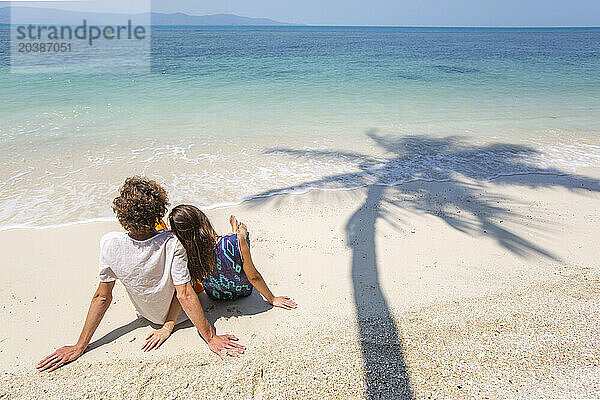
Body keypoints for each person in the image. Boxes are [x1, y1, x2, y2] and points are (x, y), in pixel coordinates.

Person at [36, 177, 245, 372]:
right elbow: (185, 294)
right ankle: (235, 236)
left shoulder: (110, 243)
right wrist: (210, 337)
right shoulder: (173, 242)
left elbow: (102, 297)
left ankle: (232, 235)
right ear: (159, 210)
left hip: (148, 315)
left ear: (121, 214)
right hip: (180, 316)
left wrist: (79, 345)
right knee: (205, 244)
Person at [141, 205, 296, 351]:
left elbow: (183, 293)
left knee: (227, 245)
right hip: (243, 291)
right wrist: (272, 299)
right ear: (204, 220)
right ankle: (238, 229)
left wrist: (167, 326)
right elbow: (253, 277)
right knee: (240, 238)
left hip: (215, 295)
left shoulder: (186, 257)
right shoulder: (235, 243)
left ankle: (234, 231)